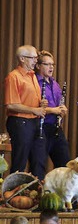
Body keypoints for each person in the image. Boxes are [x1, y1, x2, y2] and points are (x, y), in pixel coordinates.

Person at [3, 45, 47, 180]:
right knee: (20, 161)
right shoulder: (14, 76)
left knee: (38, 160)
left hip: (34, 121)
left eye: (36, 57)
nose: (36, 61)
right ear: (22, 58)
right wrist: (34, 109)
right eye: (32, 58)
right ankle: (14, 196)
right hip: (20, 122)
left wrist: (40, 103)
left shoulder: (33, 76)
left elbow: (28, 99)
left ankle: (35, 194)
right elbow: (11, 104)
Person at [36, 50, 71, 168]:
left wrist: (62, 110)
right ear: (38, 66)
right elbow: (34, 107)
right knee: (39, 165)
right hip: (41, 127)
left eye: (52, 64)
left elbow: (59, 103)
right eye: (47, 64)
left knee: (64, 164)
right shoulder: (34, 82)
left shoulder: (54, 84)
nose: (51, 67)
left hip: (55, 128)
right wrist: (53, 110)